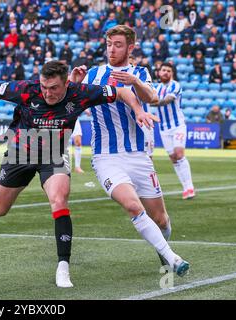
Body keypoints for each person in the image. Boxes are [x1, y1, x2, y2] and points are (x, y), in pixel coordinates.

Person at [0, 60, 156, 288]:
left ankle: (63, 267)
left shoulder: (80, 92)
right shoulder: (26, 90)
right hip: (19, 153)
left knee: (59, 200)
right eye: (44, 87)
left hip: (54, 155)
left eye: (54, 88)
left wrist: (138, 110)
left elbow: (123, 91)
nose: (47, 93)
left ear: (66, 83)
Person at [70, 25, 190, 277]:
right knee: (133, 207)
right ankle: (173, 258)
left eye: (118, 45)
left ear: (130, 47)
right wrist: (74, 83)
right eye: (109, 44)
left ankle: (162, 248)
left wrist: (135, 81)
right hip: (106, 157)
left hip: (138, 157)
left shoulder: (139, 72)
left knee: (162, 221)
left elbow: (153, 98)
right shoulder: (94, 73)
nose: (112, 49)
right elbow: (68, 99)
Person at [151, 62, 195, 199]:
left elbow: (167, 100)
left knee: (179, 153)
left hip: (178, 126)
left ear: (172, 74)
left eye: (168, 71)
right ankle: (185, 188)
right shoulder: (156, 88)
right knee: (173, 158)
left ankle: (190, 187)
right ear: (159, 72)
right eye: (163, 70)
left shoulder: (175, 85)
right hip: (163, 128)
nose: (165, 73)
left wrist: (151, 102)